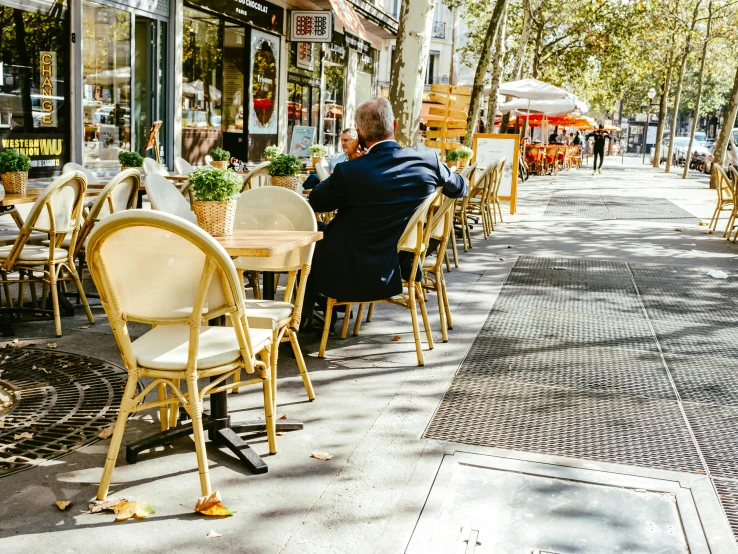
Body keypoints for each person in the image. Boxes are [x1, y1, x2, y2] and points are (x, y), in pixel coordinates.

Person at [301, 97, 467, 329]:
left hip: (352, 260)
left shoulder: (351, 171)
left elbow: (316, 201)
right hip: (402, 258)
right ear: (395, 126)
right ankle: (323, 309)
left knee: (311, 233)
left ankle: (304, 317)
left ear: (358, 132)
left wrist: (351, 160)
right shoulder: (427, 160)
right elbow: (460, 187)